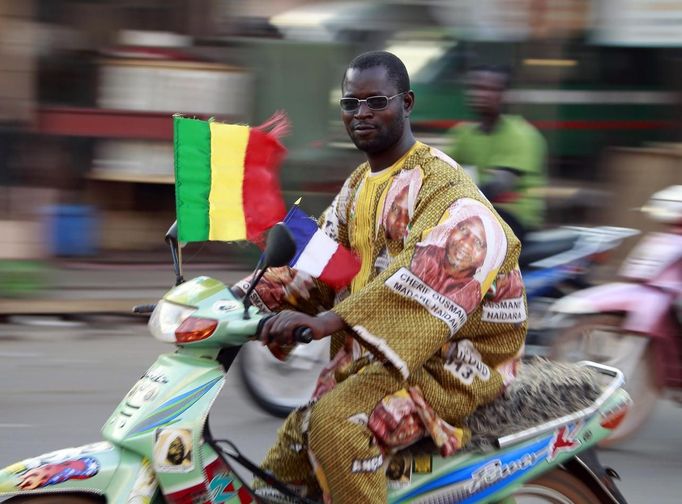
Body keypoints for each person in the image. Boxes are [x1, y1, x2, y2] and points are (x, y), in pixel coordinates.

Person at [254, 51, 527, 503]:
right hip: (381, 358)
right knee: (284, 457)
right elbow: (318, 259)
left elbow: (428, 270)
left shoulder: (445, 187)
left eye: (376, 101)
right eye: (350, 104)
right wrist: (241, 297)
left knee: (335, 424)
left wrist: (330, 322)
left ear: (407, 102)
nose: (361, 114)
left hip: (451, 363)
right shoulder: (360, 184)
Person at [445, 65, 547, 243]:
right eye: (476, 88)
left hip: (513, 217)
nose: (480, 94)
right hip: (480, 214)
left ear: (504, 95)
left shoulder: (520, 134)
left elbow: (498, 185)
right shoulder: (463, 134)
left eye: (489, 89)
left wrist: (454, 197)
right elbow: (438, 167)